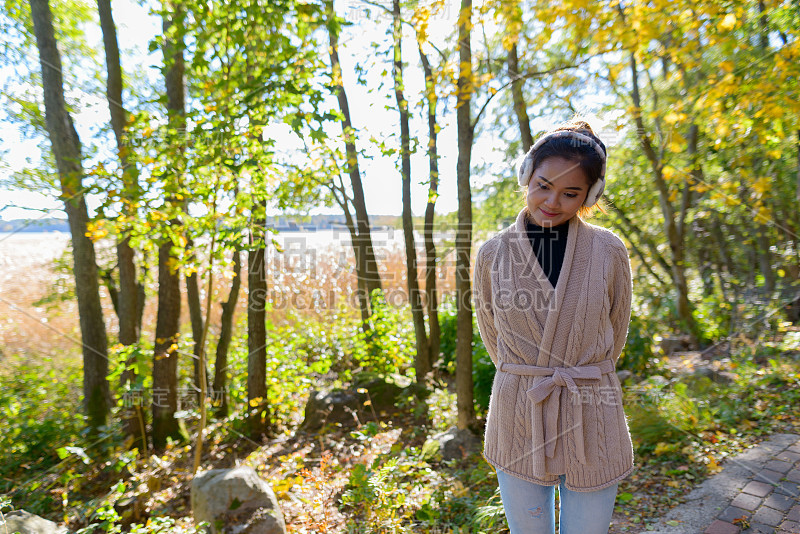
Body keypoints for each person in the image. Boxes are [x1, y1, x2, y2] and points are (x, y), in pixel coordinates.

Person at [473, 119, 635, 534]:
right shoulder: (493, 254)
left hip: (592, 403)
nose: (552, 201)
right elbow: (494, 337)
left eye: (571, 193)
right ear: (526, 176)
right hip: (520, 407)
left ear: (590, 196)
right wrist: (533, 371)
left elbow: (616, 330)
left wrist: (582, 368)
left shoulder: (608, 250)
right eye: (543, 185)